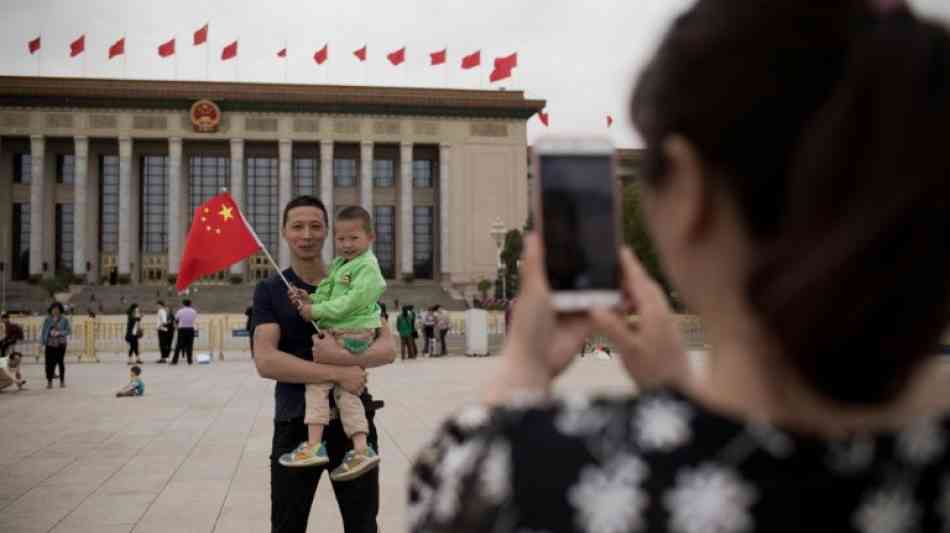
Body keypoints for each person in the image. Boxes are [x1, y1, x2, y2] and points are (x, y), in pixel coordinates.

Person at [407, 2, 950, 532]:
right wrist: (679, 389)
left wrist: (522, 365)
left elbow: (449, 495)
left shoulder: (540, 478)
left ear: (690, 193)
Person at [252, 195, 397, 533]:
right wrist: (339, 371)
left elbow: (387, 348)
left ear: (328, 232)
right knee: (288, 526)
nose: (307, 234)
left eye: (315, 226)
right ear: (285, 233)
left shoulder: (354, 276)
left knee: (363, 526)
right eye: (297, 226)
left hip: (353, 426)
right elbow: (267, 360)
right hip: (296, 424)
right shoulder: (272, 289)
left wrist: (341, 359)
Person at [280, 206, 386, 480]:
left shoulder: (368, 268)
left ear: (370, 238)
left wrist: (315, 312)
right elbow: (327, 291)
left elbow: (350, 302)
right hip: (342, 330)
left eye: (354, 238)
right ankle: (361, 448)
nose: (347, 245)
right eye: (341, 239)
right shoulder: (340, 265)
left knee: (317, 384)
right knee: (345, 392)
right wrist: (310, 298)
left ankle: (314, 445)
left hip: (352, 331)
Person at [40, 302, 71, 389]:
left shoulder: (64, 320)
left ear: (60, 310)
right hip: (50, 343)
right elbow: (44, 331)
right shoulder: (47, 319)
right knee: (49, 363)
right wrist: (43, 342)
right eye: (53, 309)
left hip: (61, 344)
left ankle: (62, 381)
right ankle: (49, 382)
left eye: (57, 309)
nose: (55, 311)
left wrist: (59, 333)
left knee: (60, 362)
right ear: (51, 310)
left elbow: (68, 331)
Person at [171, 299, 197, 365]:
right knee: (190, 345)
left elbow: (176, 319)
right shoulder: (194, 311)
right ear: (190, 304)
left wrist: (176, 325)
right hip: (191, 329)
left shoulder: (180, 311)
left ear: (183, 304)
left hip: (182, 329)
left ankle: (175, 360)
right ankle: (189, 360)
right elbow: (194, 319)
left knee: (178, 345)